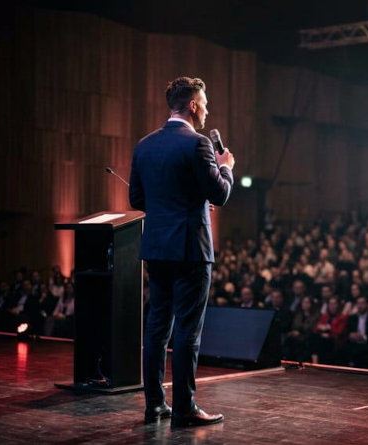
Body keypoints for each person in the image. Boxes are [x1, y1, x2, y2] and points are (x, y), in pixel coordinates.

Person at [130, 77, 233, 427]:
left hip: (157, 247)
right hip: (190, 248)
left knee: (157, 328)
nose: (207, 109)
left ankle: (155, 405)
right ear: (192, 105)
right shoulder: (198, 143)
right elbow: (220, 194)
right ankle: (185, 407)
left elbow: (137, 198)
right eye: (205, 102)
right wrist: (226, 166)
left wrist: (176, 203)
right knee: (188, 330)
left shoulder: (144, 145)